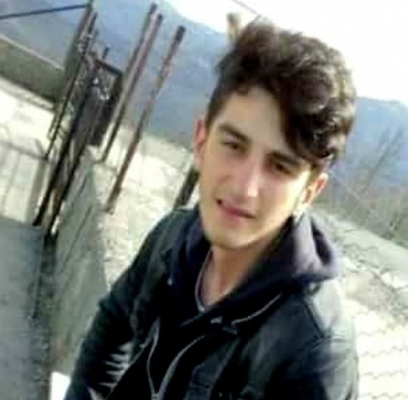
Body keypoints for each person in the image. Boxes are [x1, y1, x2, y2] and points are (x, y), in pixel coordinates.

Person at [64, 21, 358, 400]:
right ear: (201, 142)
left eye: (280, 166)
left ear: (309, 192)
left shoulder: (314, 352)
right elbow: (113, 322)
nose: (245, 187)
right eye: (234, 146)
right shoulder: (173, 237)